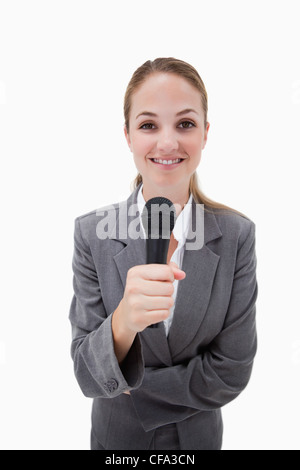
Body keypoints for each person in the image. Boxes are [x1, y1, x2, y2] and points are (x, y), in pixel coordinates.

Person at [69, 57, 258, 450]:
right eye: (149, 125)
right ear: (128, 136)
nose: (168, 142)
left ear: (205, 133)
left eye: (185, 124)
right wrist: (123, 321)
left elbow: (231, 372)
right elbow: (85, 375)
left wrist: (126, 385)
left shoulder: (237, 236)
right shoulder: (92, 234)